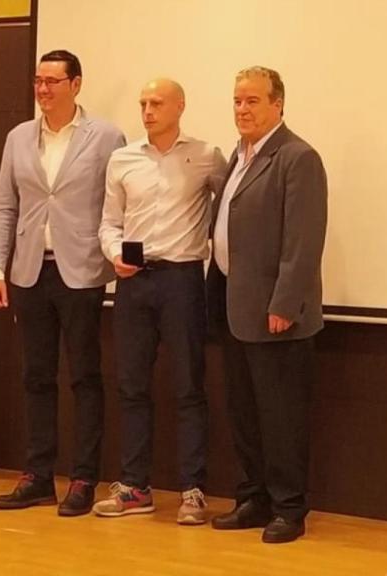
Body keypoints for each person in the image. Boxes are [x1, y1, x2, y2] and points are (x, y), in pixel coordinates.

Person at [0, 49, 125, 516]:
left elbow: (117, 205)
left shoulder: (105, 136)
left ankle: (83, 478)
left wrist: (118, 254)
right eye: (38, 81)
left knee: (85, 376)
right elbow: (6, 206)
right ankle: (38, 475)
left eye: (53, 82)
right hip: (28, 271)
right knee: (36, 377)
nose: (43, 90)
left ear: (76, 85)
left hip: (81, 270)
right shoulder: (19, 137)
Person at [92, 78, 225, 524]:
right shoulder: (122, 159)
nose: (147, 110)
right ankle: (134, 487)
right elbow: (108, 222)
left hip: (183, 280)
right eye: (143, 103)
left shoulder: (207, 157)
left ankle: (192, 490)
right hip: (133, 283)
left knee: (189, 385)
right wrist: (114, 255)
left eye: (157, 103)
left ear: (180, 106)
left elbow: (229, 215)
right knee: (131, 385)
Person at [207, 66, 328, 544]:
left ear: (278, 104)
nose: (242, 109)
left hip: (277, 316)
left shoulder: (297, 157)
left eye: (253, 101)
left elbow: (303, 240)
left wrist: (285, 302)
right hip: (235, 308)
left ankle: (289, 509)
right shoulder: (238, 156)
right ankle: (253, 498)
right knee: (245, 413)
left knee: (282, 418)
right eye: (237, 100)